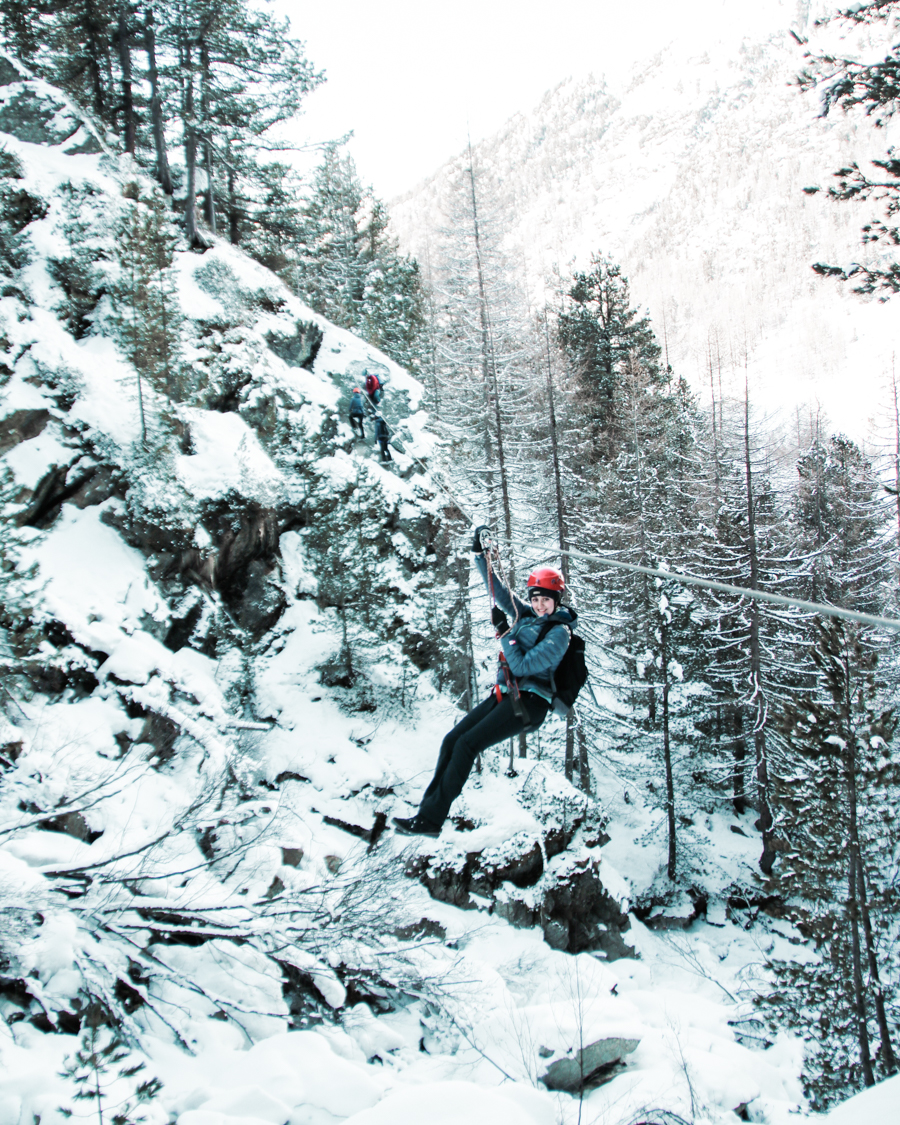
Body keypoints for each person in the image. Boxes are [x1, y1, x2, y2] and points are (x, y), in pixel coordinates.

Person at [393, 525, 575, 838]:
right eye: (535, 599)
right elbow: (499, 592)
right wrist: (479, 553)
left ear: (556, 600)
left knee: (466, 745)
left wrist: (505, 634)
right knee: (452, 740)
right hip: (508, 695)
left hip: (530, 704)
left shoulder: (560, 634)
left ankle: (431, 820)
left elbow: (520, 665)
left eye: (546, 599)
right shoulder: (528, 616)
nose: (540, 605)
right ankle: (425, 816)